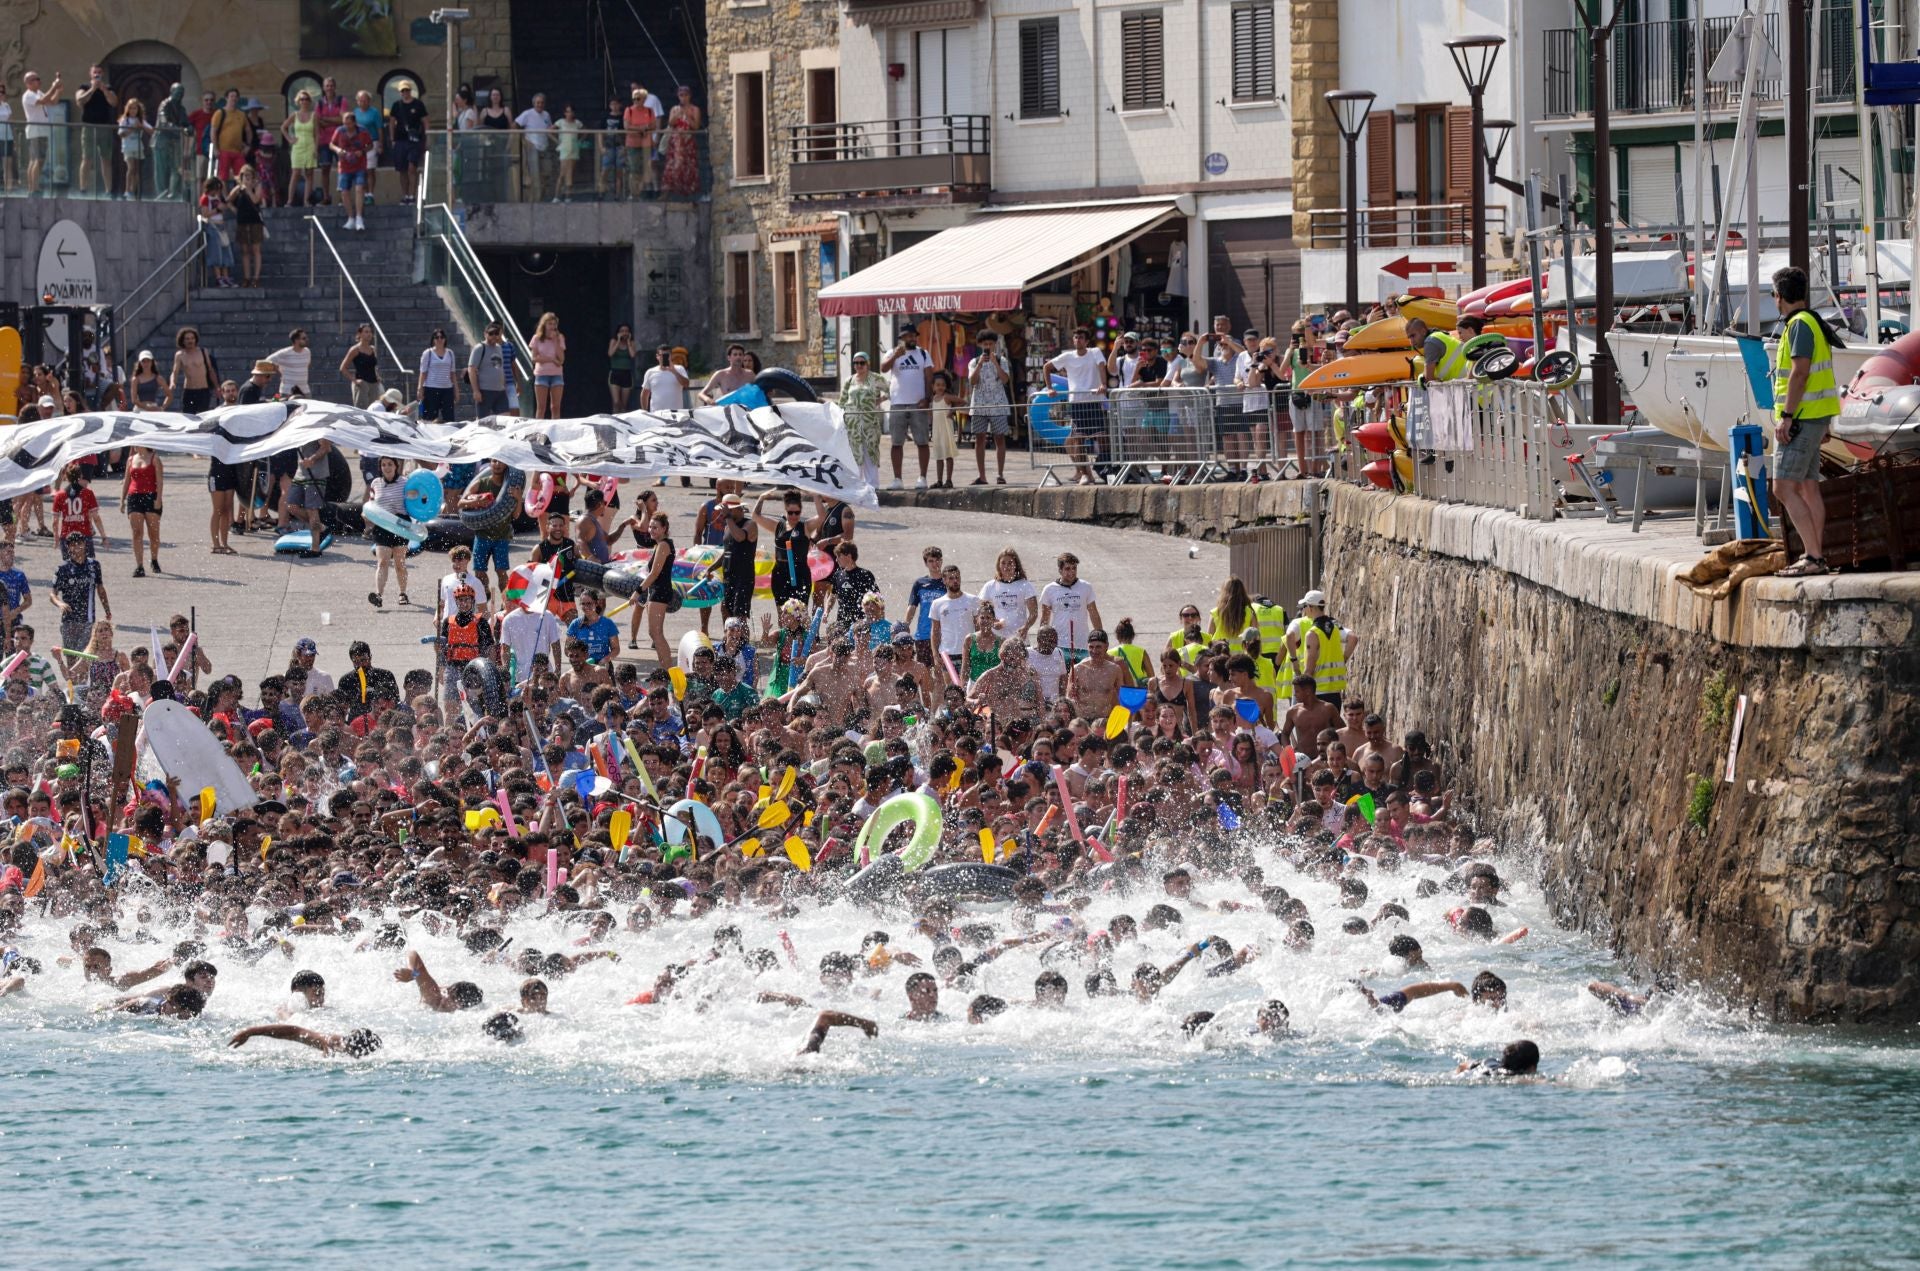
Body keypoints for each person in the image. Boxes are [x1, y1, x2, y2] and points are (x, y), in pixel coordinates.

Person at [1769, 265, 1844, 577]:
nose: (1774, 299)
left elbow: (1800, 373)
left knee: (1783, 489)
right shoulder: (1813, 321)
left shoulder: (1798, 325)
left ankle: (1813, 557)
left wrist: (1786, 417)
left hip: (1800, 419)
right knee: (1809, 487)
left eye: (1773, 294)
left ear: (1780, 296)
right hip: (1815, 417)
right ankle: (1817, 555)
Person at [1046, 328, 1110, 485]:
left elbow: (1102, 366)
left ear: (1087, 341)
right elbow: (1047, 367)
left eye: (1081, 337)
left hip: (1094, 401)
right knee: (1078, 439)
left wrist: (1103, 384)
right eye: (1076, 337)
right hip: (1076, 402)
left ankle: (1108, 469)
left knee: (1102, 438)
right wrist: (1049, 388)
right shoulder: (1067, 356)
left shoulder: (1095, 352)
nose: (1078, 340)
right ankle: (1084, 473)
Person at [881, 328, 933, 490]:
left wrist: (927, 399)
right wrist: (895, 356)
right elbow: (883, 369)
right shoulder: (892, 353)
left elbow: (929, 377)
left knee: (922, 441)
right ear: (901, 338)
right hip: (898, 403)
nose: (911, 338)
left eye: (913, 335)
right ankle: (897, 479)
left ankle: (922, 477)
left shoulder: (923, 354)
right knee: (896, 443)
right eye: (907, 336)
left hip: (918, 404)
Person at [50, 533, 110, 661]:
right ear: (68, 547)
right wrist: (60, 604)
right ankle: (72, 681)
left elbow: (100, 589)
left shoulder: (94, 565)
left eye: (79, 543)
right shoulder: (62, 569)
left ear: (85, 544)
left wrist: (107, 610)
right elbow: (52, 594)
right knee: (71, 656)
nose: (77, 547)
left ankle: (83, 681)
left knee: (85, 657)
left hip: (88, 620)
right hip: (69, 620)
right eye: (73, 544)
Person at [967, 329, 1013, 485]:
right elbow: (972, 381)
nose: (988, 346)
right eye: (985, 344)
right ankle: (982, 476)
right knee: (979, 439)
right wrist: (980, 364)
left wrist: (995, 362)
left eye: (990, 344)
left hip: (998, 405)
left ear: (995, 344)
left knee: (999, 438)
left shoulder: (1002, 360)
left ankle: (1000, 474)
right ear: (980, 345)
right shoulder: (974, 362)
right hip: (979, 405)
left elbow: (1006, 380)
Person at [365, 457, 411, 608]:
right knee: (383, 561)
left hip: (400, 524)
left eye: (390, 464)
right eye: (383, 465)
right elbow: (371, 503)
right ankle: (378, 595)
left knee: (399, 563)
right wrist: (367, 516)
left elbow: (415, 501)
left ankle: (403, 593)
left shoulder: (405, 482)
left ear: (396, 466)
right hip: (382, 525)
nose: (387, 467)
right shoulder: (376, 483)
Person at [1039, 552, 1101, 665]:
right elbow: (1045, 618)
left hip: (1082, 644)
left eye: (1074, 568)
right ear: (1060, 570)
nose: (1071, 572)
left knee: (1083, 679)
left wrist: (1101, 638)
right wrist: (1042, 642)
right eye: (1067, 569)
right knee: (1061, 679)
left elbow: (1094, 614)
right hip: (1059, 644)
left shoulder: (1086, 587)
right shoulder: (1049, 589)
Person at [636, 511, 676, 668]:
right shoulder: (660, 544)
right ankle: (664, 669)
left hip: (660, 592)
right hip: (656, 591)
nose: (651, 530)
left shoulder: (664, 545)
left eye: (655, 527)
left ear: (664, 528)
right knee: (654, 633)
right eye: (650, 527)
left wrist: (637, 592)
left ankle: (668, 671)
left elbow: (654, 574)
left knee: (656, 634)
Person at [120, 447, 164, 578]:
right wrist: (122, 500)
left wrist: (158, 499)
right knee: (137, 533)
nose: (133, 445)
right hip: (134, 497)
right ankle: (139, 566)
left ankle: (154, 559)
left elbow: (160, 480)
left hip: (151, 497)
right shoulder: (131, 459)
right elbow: (127, 480)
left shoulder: (154, 458)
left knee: (153, 533)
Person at [20, 71, 61, 195]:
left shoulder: (38, 93)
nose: (39, 81)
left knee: (38, 159)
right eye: (35, 79)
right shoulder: (28, 95)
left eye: (38, 78)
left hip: (42, 130)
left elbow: (52, 102)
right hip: (36, 130)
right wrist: (53, 86)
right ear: (28, 83)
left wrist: (58, 90)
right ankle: (34, 188)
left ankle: (33, 187)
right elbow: (43, 100)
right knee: (37, 159)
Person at [330, 110, 371, 231]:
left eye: (349, 123)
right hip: (344, 166)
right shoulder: (339, 131)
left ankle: (359, 217)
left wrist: (362, 151)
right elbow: (331, 144)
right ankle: (350, 218)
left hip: (359, 165)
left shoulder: (363, 131)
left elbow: (370, 145)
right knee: (344, 191)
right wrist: (338, 150)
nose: (346, 126)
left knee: (359, 189)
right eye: (344, 123)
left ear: (354, 123)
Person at [387, 79, 428, 199]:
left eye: (407, 90)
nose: (405, 92)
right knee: (402, 169)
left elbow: (425, 121)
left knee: (412, 167)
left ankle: (412, 194)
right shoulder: (396, 105)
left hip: (414, 140)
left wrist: (427, 138)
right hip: (400, 140)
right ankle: (405, 194)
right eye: (403, 91)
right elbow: (391, 122)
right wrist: (392, 139)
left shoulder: (418, 104)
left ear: (411, 91)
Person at [661, 85, 701, 197]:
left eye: (686, 95)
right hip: (676, 142)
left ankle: (688, 192)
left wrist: (687, 116)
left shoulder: (695, 109)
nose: (683, 98)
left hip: (688, 141)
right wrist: (677, 115)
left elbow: (696, 126)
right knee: (673, 165)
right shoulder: (674, 109)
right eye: (681, 95)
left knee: (688, 165)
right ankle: (670, 191)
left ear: (690, 96)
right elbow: (670, 123)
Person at [467, 321, 513, 416]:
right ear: (485, 334)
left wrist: (503, 385)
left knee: (505, 420)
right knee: (483, 422)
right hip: (485, 391)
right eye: (491, 333)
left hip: (500, 391)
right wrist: (476, 390)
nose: (494, 336)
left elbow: (500, 368)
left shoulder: (499, 348)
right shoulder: (479, 348)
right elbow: (471, 370)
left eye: (496, 333)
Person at [514, 92, 553, 201]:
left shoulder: (546, 114)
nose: (540, 105)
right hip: (532, 148)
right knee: (534, 176)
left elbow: (549, 129)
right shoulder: (527, 114)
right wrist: (522, 139)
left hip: (544, 147)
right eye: (538, 102)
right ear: (534, 103)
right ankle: (534, 201)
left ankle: (540, 199)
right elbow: (515, 124)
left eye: (542, 103)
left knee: (546, 175)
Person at [417, 330, 461, 423]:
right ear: (433, 340)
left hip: (447, 389)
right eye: (437, 337)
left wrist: (456, 389)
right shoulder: (427, 353)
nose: (439, 339)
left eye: (442, 337)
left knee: (449, 418)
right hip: (431, 388)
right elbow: (423, 372)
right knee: (429, 417)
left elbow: (452, 373)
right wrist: (420, 388)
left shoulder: (450, 353)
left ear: (445, 339)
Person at [528, 312, 566, 419]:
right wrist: (550, 359)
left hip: (556, 374)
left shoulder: (559, 337)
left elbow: (561, 359)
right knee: (541, 407)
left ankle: (556, 429)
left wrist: (556, 341)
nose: (553, 327)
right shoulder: (536, 338)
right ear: (544, 325)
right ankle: (538, 430)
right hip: (542, 374)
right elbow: (534, 358)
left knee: (555, 406)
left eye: (554, 324)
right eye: (550, 324)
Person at [339, 323, 382, 408]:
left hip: (373, 384)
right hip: (362, 384)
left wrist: (377, 376)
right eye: (366, 332)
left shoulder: (373, 349)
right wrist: (355, 380)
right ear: (360, 334)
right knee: (362, 411)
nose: (369, 334)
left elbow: (373, 366)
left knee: (374, 411)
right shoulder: (355, 349)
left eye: (370, 332)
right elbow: (343, 368)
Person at [641, 344, 689, 412]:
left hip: (676, 414)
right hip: (657, 414)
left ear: (671, 356)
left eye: (667, 355)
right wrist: (645, 412)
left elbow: (686, 384)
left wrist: (674, 371)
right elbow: (644, 394)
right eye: (661, 355)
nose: (664, 357)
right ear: (657, 356)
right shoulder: (650, 372)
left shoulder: (679, 369)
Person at [607, 325, 638, 410]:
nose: (624, 333)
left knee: (623, 404)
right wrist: (618, 342)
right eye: (622, 331)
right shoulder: (613, 341)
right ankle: (614, 420)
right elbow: (610, 353)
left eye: (626, 331)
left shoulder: (631, 343)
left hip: (626, 374)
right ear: (618, 333)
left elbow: (632, 355)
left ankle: (622, 421)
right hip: (615, 373)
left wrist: (628, 343)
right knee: (616, 402)